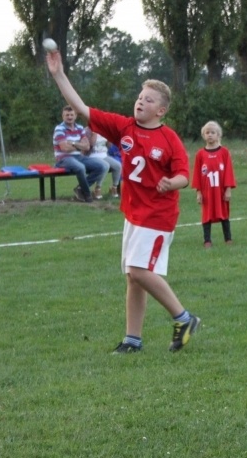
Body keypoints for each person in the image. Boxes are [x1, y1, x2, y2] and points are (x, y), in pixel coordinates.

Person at [45, 50, 200, 354]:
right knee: (133, 277)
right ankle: (133, 340)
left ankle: (184, 318)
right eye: (140, 96)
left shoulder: (170, 139)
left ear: (162, 111)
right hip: (133, 214)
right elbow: (81, 107)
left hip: (157, 215)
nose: (141, 101)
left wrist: (172, 183)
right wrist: (58, 74)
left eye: (150, 100)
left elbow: (184, 174)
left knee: (140, 270)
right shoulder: (123, 127)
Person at [192, 120, 236, 248]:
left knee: (224, 213)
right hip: (207, 191)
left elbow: (228, 171)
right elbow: (197, 175)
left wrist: (228, 189)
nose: (210, 135)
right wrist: (199, 192)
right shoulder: (200, 154)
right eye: (207, 133)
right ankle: (207, 240)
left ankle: (228, 238)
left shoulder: (224, 152)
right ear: (203, 135)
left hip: (220, 191)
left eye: (213, 132)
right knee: (207, 214)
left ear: (218, 135)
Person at [53, 105, 108, 202]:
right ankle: (87, 196)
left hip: (79, 156)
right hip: (63, 158)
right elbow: (64, 148)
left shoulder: (80, 127)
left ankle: (80, 189)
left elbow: (87, 147)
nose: (69, 117)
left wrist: (73, 143)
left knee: (102, 166)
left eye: (71, 115)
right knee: (80, 167)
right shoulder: (59, 129)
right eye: (67, 115)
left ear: (75, 116)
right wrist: (79, 145)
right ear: (63, 116)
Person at [87, 130, 122, 199]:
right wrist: (95, 133)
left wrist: (109, 137)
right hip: (92, 155)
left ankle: (114, 187)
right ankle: (98, 188)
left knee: (118, 165)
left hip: (104, 155)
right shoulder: (89, 130)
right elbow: (90, 145)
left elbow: (109, 146)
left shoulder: (104, 130)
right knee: (105, 166)